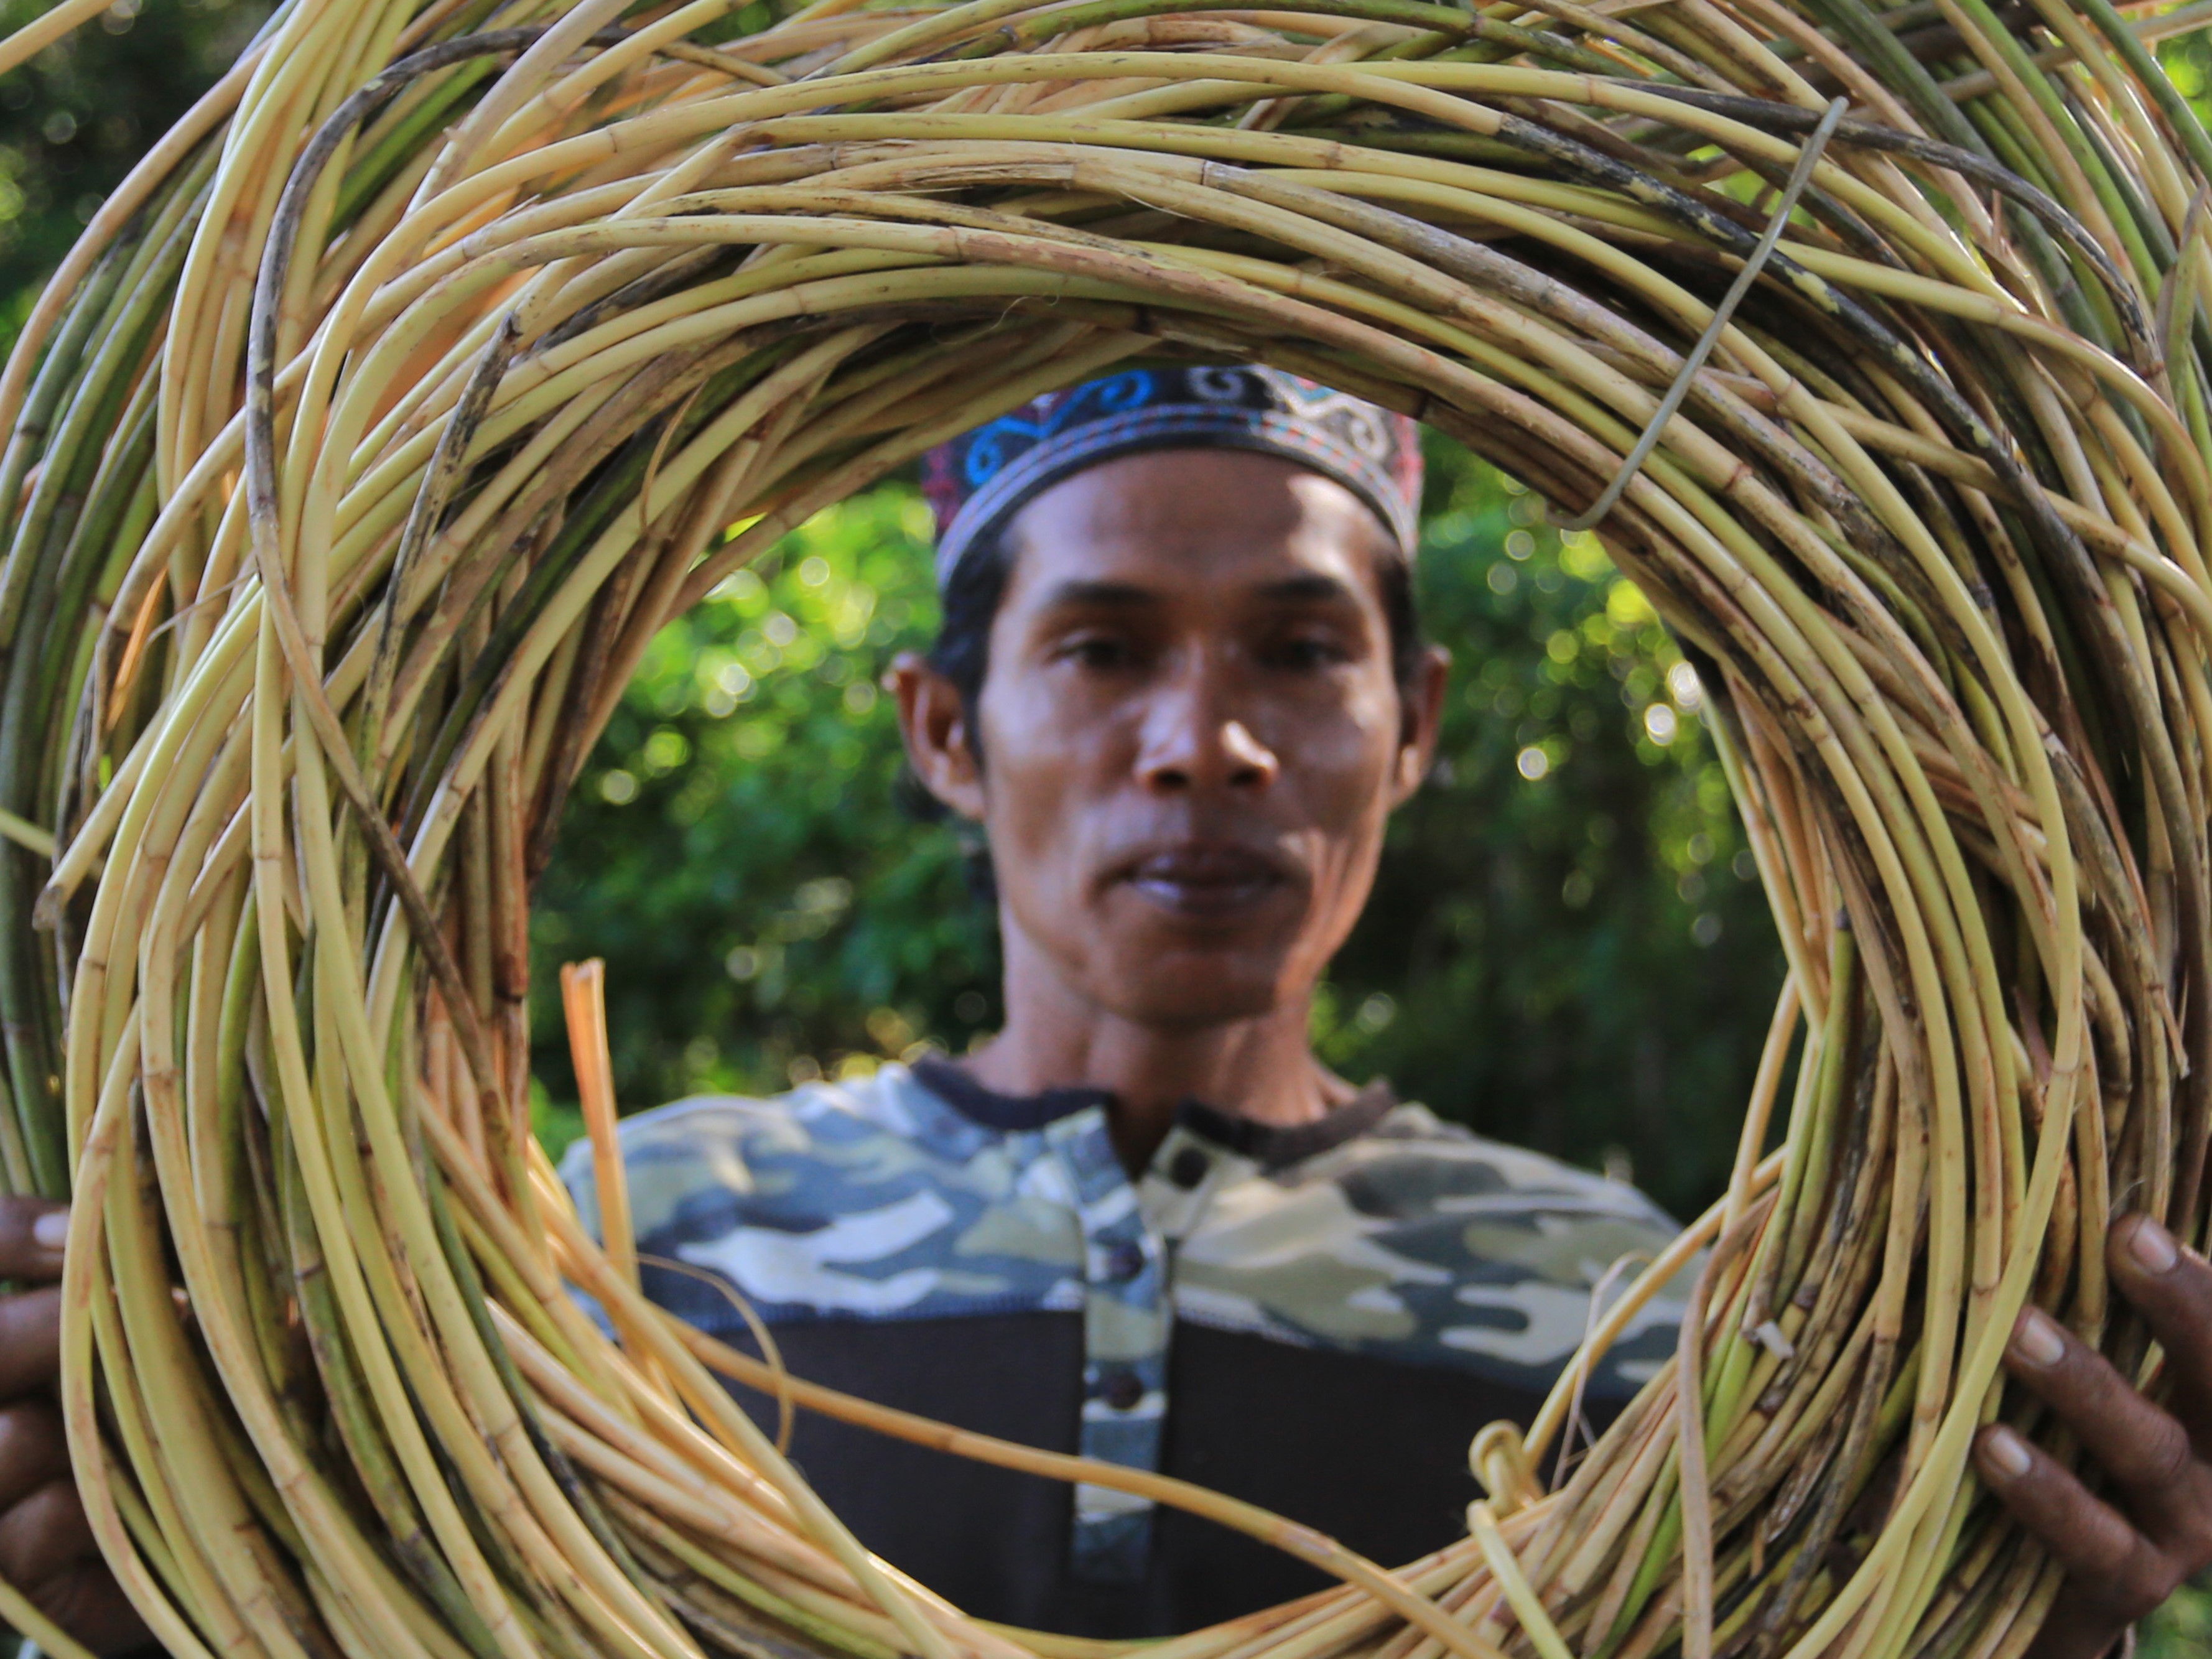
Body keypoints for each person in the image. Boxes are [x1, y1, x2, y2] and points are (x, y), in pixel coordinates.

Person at [0, 368, 2206, 1654]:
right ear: (942, 727)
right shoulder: (604, 1250)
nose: (1204, 742)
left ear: (1414, 718)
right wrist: (197, 1582)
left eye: (1295, 650)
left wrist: (2001, 1611)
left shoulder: (1644, 1318)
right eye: (1105, 648)